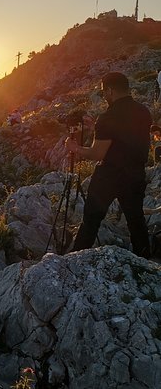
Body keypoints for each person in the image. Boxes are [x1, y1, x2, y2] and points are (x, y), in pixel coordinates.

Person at [65, 72, 152, 258]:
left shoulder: (108, 117)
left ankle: (76, 259)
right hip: (136, 174)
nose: (104, 95)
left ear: (111, 91)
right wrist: (95, 128)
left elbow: (97, 153)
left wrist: (75, 148)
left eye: (104, 92)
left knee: (91, 220)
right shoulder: (143, 111)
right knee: (135, 219)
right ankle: (144, 260)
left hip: (109, 176)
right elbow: (125, 136)